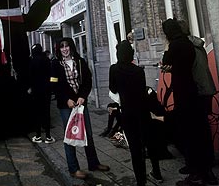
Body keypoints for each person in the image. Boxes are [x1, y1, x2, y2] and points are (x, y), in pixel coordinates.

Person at [161, 18, 214, 186]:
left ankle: (197, 173)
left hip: (191, 95)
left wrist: (169, 53)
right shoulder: (194, 46)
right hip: (199, 94)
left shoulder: (179, 45)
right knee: (201, 133)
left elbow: (169, 59)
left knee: (192, 135)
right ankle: (205, 172)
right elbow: (187, 66)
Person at [50, 37, 110, 180]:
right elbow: (54, 85)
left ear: (71, 47)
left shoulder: (80, 62)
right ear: (59, 49)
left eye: (67, 46)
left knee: (87, 134)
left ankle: (93, 163)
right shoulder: (55, 64)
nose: (65, 49)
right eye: (62, 47)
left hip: (81, 104)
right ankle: (74, 169)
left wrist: (83, 96)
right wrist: (66, 100)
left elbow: (88, 81)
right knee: (70, 136)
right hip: (66, 106)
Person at [109, 40, 163, 186]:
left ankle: (141, 181)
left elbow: (113, 89)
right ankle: (156, 172)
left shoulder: (114, 69)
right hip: (143, 111)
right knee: (149, 142)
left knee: (135, 148)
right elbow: (141, 91)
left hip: (128, 113)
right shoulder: (139, 71)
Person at [29, 44, 55, 144]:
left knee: (37, 113)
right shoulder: (47, 60)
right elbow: (51, 74)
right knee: (46, 113)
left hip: (36, 91)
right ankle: (48, 136)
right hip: (46, 91)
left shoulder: (32, 61)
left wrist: (31, 87)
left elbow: (30, 76)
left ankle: (38, 136)